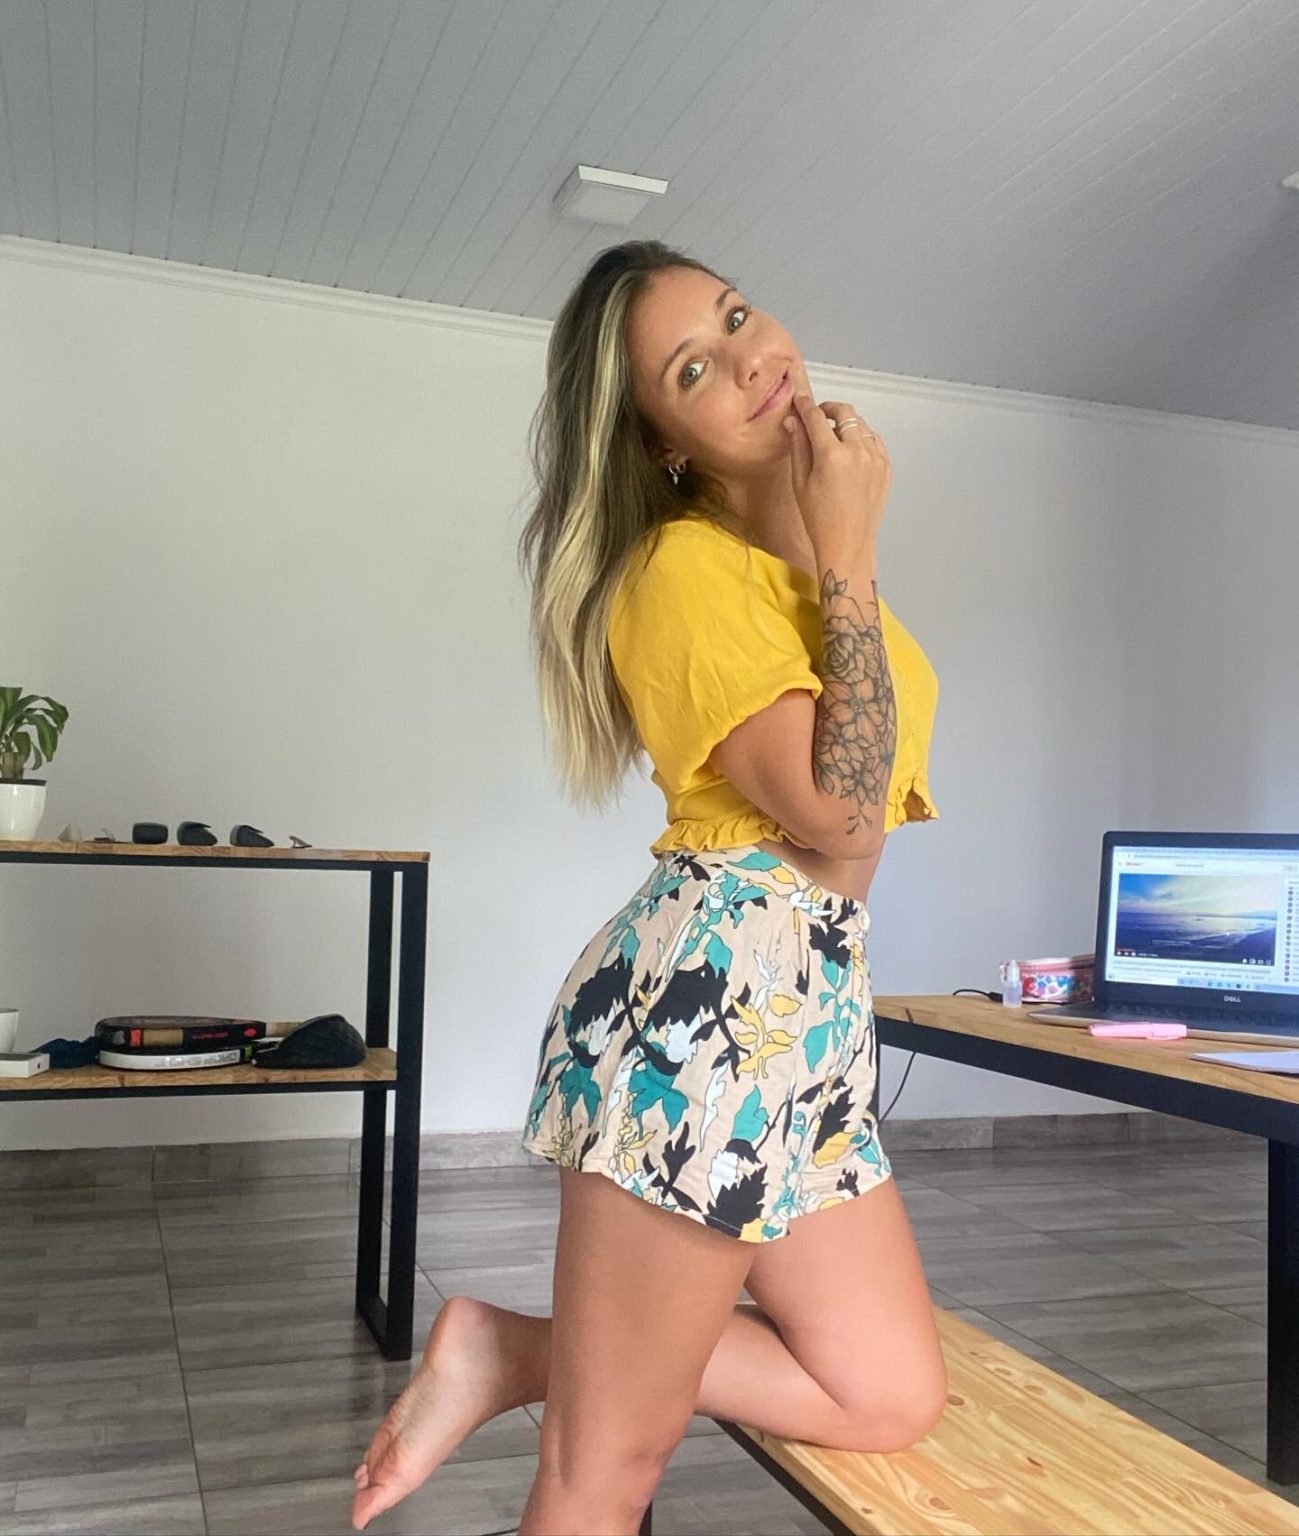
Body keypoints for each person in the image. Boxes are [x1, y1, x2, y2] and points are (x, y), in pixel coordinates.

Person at [352, 241, 947, 1535]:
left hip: (815, 1010)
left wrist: (833, 553)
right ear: (660, 443)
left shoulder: (801, 573)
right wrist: (851, 547)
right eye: (692, 368)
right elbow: (841, 809)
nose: (748, 358)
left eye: (737, 316)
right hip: (711, 1010)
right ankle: (561, 1374)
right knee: (603, 1477)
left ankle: (515, 1352)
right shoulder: (679, 572)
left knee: (888, 1392)